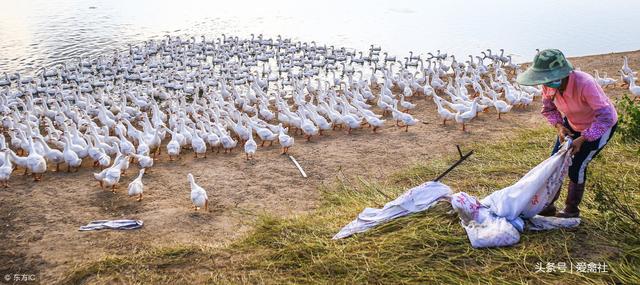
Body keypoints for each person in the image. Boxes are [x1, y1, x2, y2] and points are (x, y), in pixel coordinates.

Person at [516, 49, 618, 218]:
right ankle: (547, 205)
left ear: (562, 74)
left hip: (599, 126)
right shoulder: (548, 85)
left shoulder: (585, 84)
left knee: (577, 165)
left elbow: (605, 117)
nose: (546, 84)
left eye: (549, 79)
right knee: (556, 163)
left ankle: (572, 209)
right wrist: (559, 127)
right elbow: (548, 109)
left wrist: (583, 138)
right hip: (571, 124)